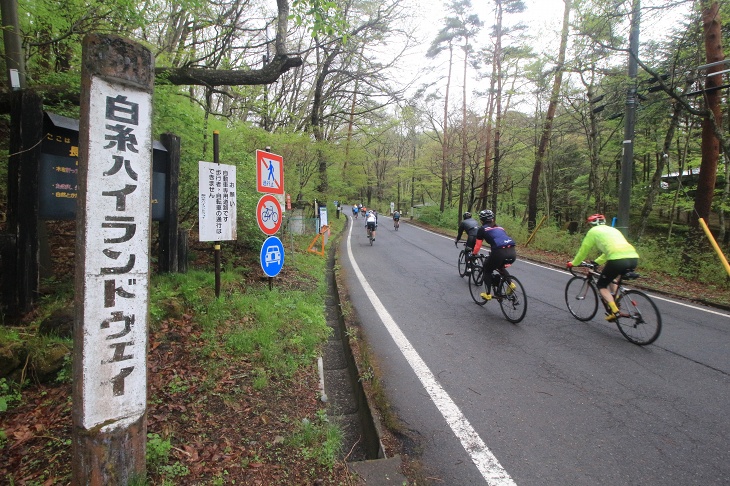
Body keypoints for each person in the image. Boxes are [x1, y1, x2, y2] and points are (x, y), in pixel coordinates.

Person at [567, 214, 640, 321]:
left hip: (617, 260)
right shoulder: (613, 230)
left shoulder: (593, 232)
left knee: (601, 285)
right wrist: (597, 262)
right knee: (611, 279)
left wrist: (574, 263)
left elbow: (583, 251)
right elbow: (611, 251)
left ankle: (615, 312)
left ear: (592, 224)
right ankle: (615, 301)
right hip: (633, 258)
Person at [473, 209, 517, 301]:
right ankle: (511, 284)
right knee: (500, 267)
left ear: (481, 220)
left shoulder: (482, 229)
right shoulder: (500, 228)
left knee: (487, 269)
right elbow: (501, 240)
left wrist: (474, 254)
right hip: (512, 252)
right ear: (493, 220)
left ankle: (488, 294)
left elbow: (477, 246)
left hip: (499, 253)